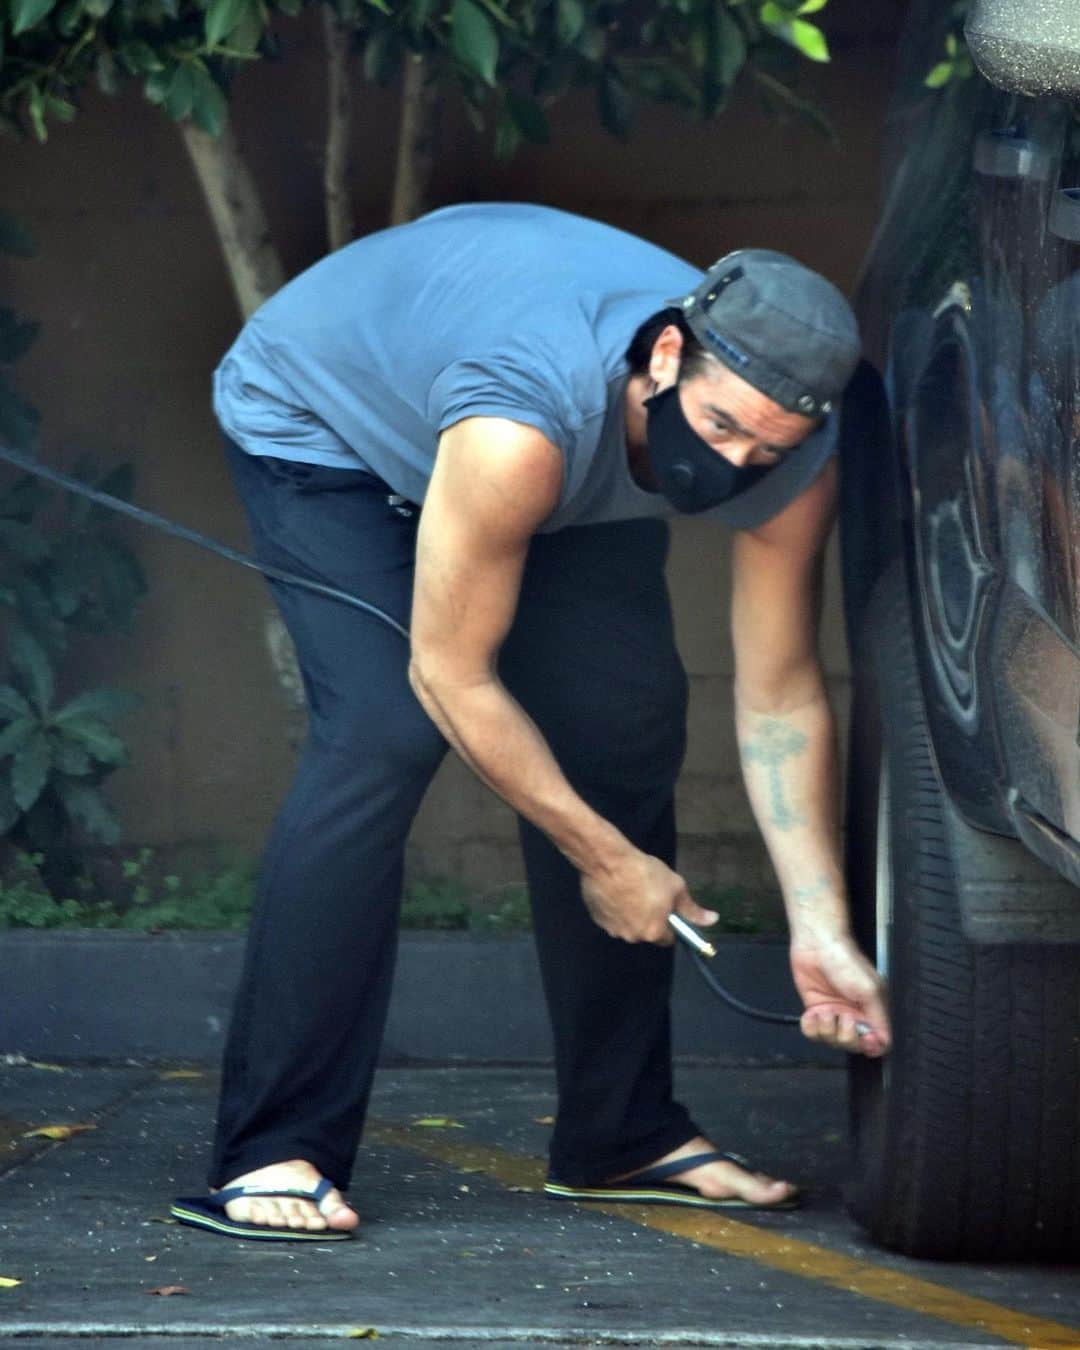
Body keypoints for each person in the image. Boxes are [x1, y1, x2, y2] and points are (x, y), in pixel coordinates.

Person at [170, 203, 891, 1242]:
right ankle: (273, 1146)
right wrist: (606, 858)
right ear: (668, 355)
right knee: (384, 730)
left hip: (562, 467)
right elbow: (451, 677)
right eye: (721, 425)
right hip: (330, 423)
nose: (732, 466)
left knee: (626, 723)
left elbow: (780, 693)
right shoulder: (527, 414)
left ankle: (622, 1134)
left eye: (764, 450)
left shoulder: (792, 457)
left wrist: (820, 925)